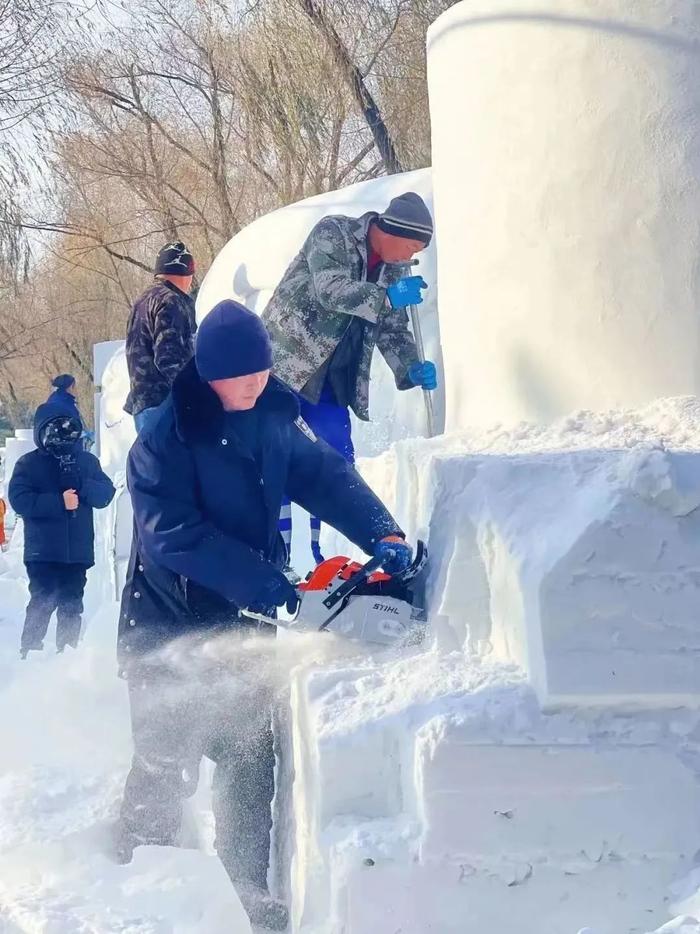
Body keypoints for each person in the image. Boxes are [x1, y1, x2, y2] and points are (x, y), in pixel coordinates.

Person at [114, 300, 415, 931]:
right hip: (167, 618)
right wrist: (276, 591)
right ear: (211, 374)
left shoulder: (276, 413)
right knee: (166, 766)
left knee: (251, 765)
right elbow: (174, 535)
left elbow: (324, 477)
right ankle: (140, 893)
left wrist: (381, 531)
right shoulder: (164, 438)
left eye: (262, 369)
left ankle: (249, 900)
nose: (256, 381)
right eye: (241, 374)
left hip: (246, 614)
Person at [262, 190, 437, 566]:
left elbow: (392, 327)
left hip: (333, 377)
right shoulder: (333, 233)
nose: (410, 258)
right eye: (410, 247)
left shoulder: (393, 270)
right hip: (286, 368)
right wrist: (387, 296)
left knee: (335, 460)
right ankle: (278, 558)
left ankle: (340, 556)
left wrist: (409, 367)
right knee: (274, 458)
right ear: (391, 230)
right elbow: (330, 290)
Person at [8, 400, 115, 658]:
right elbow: (19, 499)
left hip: (76, 553)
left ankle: (66, 653)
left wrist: (83, 485)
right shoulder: (28, 464)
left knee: (71, 605)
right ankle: (30, 651)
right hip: (43, 552)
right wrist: (59, 502)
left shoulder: (87, 462)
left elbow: (105, 494)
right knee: (42, 602)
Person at [124, 240, 196, 434]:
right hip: (164, 405)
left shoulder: (142, 300)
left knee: (152, 463)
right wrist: (195, 393)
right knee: (173, 464)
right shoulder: (171, 301)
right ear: (184, 272)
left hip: (143, 402)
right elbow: (169, 359)